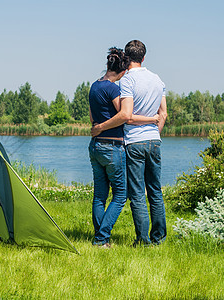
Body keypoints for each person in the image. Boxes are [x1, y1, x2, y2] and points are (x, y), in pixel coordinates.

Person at [92, 40, 168, 245]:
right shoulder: (157, 79)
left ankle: (143, 240)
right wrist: (154, 132)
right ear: (144, 58)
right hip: (154, 140)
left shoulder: (127, 81)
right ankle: (158, 237)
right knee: (155, 189)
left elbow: (127, 115)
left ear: (127, 58)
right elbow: (163, 113)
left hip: (134, 142)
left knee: (136, 193)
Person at [88, 47, 131, 248]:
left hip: (95, 146)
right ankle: (101, 238)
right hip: (112, 146)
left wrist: (98, 127)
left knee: (100, 195)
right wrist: (104, 127)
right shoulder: (113, 88)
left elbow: (92, 118)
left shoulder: (94, 86)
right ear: (122, 72)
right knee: (120, 195)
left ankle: (100, 237)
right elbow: (123, 115)